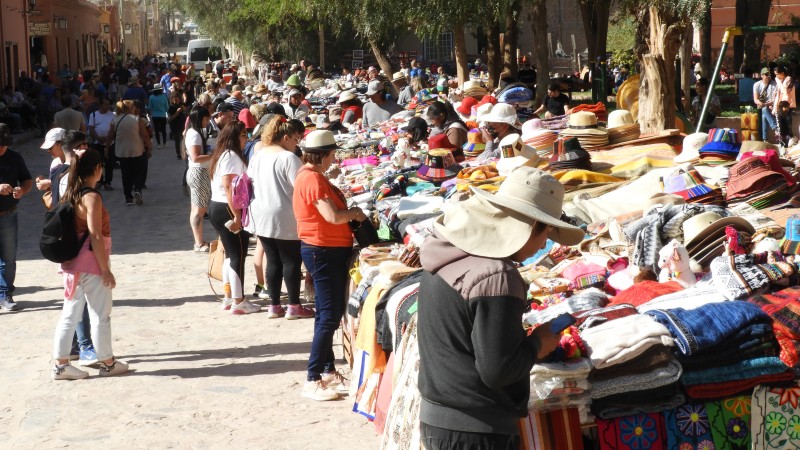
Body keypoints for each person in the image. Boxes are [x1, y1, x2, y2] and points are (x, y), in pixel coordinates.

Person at [417, 167, 582, 448]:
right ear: (533, 226)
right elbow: (498, 371)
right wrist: (538, 344)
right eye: (548, 231)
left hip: (439, 418)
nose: (546, 243)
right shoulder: (496, 276)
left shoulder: (449, 252)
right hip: (477, 430)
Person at [293, 130, 368, 401]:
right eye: (333, 154)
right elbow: (333, 216)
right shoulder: (312, 178)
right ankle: (312, 378)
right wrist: (355, 214)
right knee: (328, 317)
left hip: (324, 250)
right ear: (323, 154)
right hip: (323, 251)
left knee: (325, 314)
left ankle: (326, 370)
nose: (334, 159)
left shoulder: (311, 176)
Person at [51, 148, 129, 380]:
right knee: (100, 315)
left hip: (71, 262)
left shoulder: (70, 193)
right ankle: (107, 362)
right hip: (90, 263)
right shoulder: (91, 196)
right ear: (97, 169)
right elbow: (95, 235)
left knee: (69, 314)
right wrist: (106, 270)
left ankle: (61, 364)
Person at [246, 118, 313, 319]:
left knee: (273, 258)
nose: (296, 143)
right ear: (285, 137)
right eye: (295, 139)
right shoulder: (288, 158)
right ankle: (293, 304)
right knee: (291, 259)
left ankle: (274, 305)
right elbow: (300, 186)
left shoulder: (258, 156)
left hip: (260, 212)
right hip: (284, 213)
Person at [208, 120, 260, 315]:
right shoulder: (230, 156)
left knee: (231, 254)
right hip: (226, 207)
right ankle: (239, 300)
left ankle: (230, 296)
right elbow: (229, 186)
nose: (246, 140)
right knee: (237, 254)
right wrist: (237, 215)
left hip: (218, 206)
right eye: (243, 136)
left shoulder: (222, 155)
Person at [0, 124, 32, 311]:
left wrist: (23, 190)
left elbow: (26, 179)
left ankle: (5, 293)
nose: (2, 147)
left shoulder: (14, 157)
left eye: (4, 144)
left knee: (8, 258)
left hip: (8, 214)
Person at [105, 100, 150, 206]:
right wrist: (149, 147)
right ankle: (137, 189)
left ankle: (128, 198)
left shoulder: (115, 120)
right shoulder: (136, 119)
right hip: (137, 150)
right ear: (130, 108)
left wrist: (106, 148)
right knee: (138, 171)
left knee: (126, 174)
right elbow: (145, 135)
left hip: (122, 151)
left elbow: (110, 136)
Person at [185, 106, 213, 252]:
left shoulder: (193, 132)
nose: (208, 122)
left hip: (197, 172)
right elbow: (196, 157)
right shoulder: (194, 134)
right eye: (206, 118)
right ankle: (198, 242)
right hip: (199, 172)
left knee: (196, 209)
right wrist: (215, 155)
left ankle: (199, 241)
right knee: (199, 211)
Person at [88, 97, 116, 190]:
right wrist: (98, 138)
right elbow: (91, 128)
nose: (106, 106)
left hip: (109, 143)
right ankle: (99, 181)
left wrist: (108, 139)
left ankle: (108, 182)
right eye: (105, 104)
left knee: (109, 163)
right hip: (97, 143)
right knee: (97, 164)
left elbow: (114, 129)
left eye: (108, 104)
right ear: (100, 105)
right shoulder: (94, 115)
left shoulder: (112, 115)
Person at [754, 67, 778, 142]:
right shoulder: (757, 85)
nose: (768, 76)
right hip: (761, 105)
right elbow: (755, 99)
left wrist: (768, 104)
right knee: (764, 109)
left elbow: (774, 99)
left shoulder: (774, 84)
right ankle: (776, 129)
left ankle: (765, 139)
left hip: (770, 105)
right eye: (766, 75)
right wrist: (759, 102)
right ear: (762, 75)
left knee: (764, 114)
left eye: (769, 74)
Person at [773, 64, 796, 142]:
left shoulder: (789, 79)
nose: (776, 76)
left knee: (787, 123)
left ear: (782, 73)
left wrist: (779, 82)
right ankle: (783, 140)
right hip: (780, 105)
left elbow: (786, 91)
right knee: (781, 125)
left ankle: (790, 137)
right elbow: (777, 95)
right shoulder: (780, 81)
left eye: (777, 74)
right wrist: (774, 107)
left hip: (788, 105)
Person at [148, 83, 169, 149]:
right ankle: (164, 143)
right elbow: (167, 107)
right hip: (163, 115)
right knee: (163, 129)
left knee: (156, 130)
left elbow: (150, 107)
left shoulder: (151, 97)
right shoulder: (164, 96)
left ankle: (158, 144)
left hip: (154, 116)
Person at [168, 92, 188, 160]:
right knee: (177, 140)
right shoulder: (171, 107)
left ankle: (184, 153)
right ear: (172, 99)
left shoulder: (181, 105)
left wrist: (185, 110)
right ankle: (179, 154)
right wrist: (177, 112)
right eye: (174, 98)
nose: (176, 99)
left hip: (182, 124)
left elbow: (186, 113)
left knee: (184, 140)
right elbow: (170, 118)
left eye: (177, 97)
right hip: (175, 126)